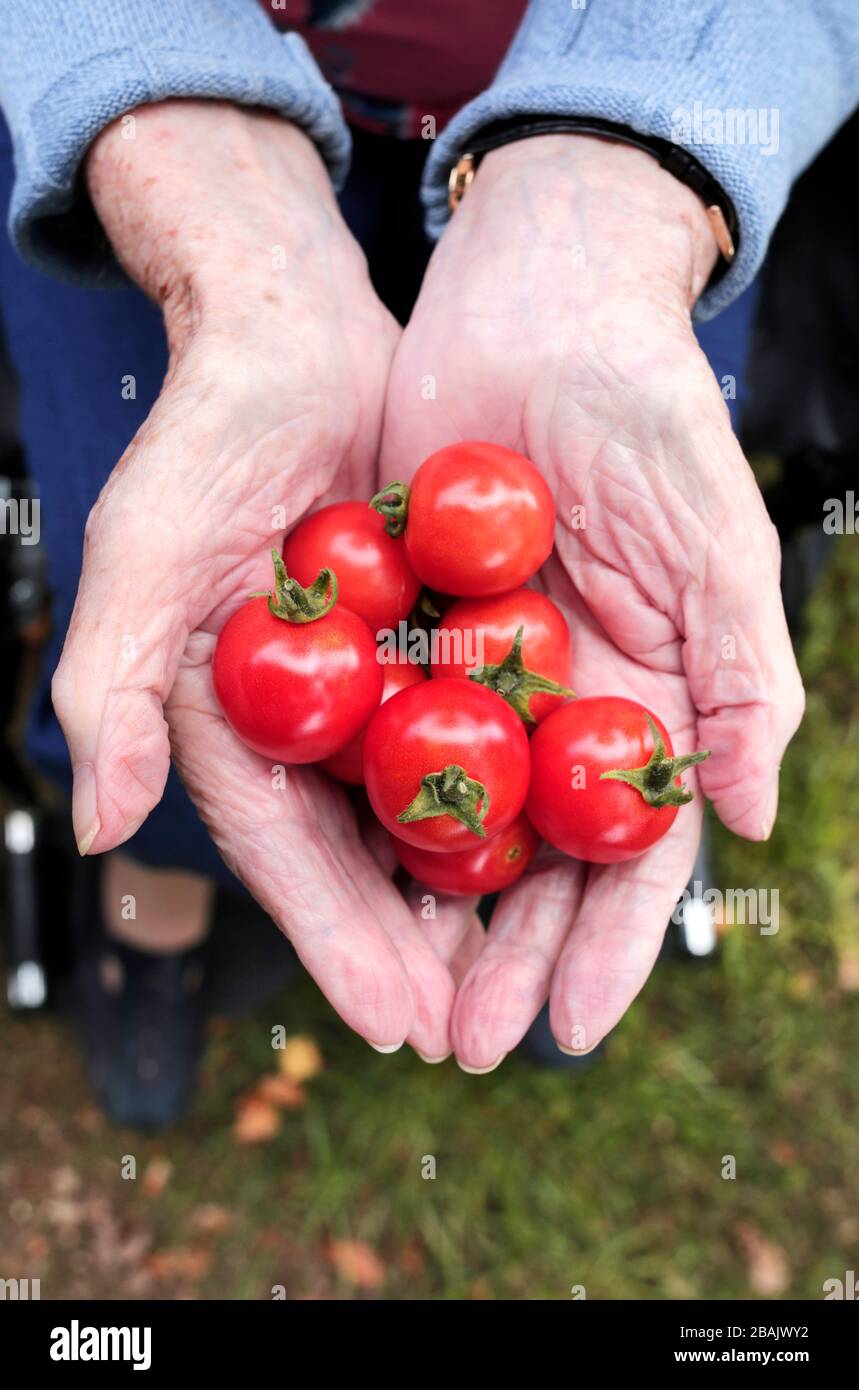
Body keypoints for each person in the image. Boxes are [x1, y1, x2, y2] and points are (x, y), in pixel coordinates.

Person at [0, 1, 856, 1122]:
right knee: (150, 639)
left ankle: (548, 887)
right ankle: (155, 893)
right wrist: (162, 93)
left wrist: (637, 143)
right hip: (161, 107)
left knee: (637, 578)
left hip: (618, 114)